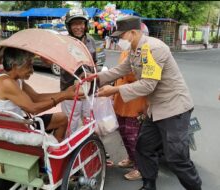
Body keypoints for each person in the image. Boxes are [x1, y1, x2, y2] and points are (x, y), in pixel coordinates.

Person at [87, 16, 202, 190]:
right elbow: (122, 69)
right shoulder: (135, 49)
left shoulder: (153, 49)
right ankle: (149, 185)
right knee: (144, 148)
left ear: (133, 33)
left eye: (121, 36)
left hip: (174, 108)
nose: (119, 40)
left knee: (176, 158)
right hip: (155, 109)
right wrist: (97, 78)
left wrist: (115, 90)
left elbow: (148, 85)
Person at [0, 47, 79, 142]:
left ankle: (53, 152)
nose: (32, 71)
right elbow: (33, 109)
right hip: (10, 130)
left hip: (17, 124)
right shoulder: (6, 82)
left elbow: (36, 97)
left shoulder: (16, 80)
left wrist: (65, 93)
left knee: (62, 118)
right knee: (61, 120)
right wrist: (64, 96)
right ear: (14, 66)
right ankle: (54, 154)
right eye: (28, 66)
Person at [60, 8, 97, 133]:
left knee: (88, 119)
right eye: (74, 24)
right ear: (69, 26)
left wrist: (94, 75)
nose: (78, 27)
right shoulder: (64, 42)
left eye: (81, 23)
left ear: (86, 25)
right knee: (71, 122)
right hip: (70, 90)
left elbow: (94, 62)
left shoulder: (90, 40)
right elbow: (58, 62)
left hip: (89, 89)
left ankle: (85, 146)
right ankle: (70, 149)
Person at [113, 50, 148, 180]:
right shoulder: (125, 52)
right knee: (124, 134)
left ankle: (139, 168)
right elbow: (118, 75)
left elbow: (138, 76)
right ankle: (131, 159)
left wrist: (121, 72)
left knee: (134, 138)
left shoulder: (145, 53)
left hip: (135, 103)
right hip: (120, 102)